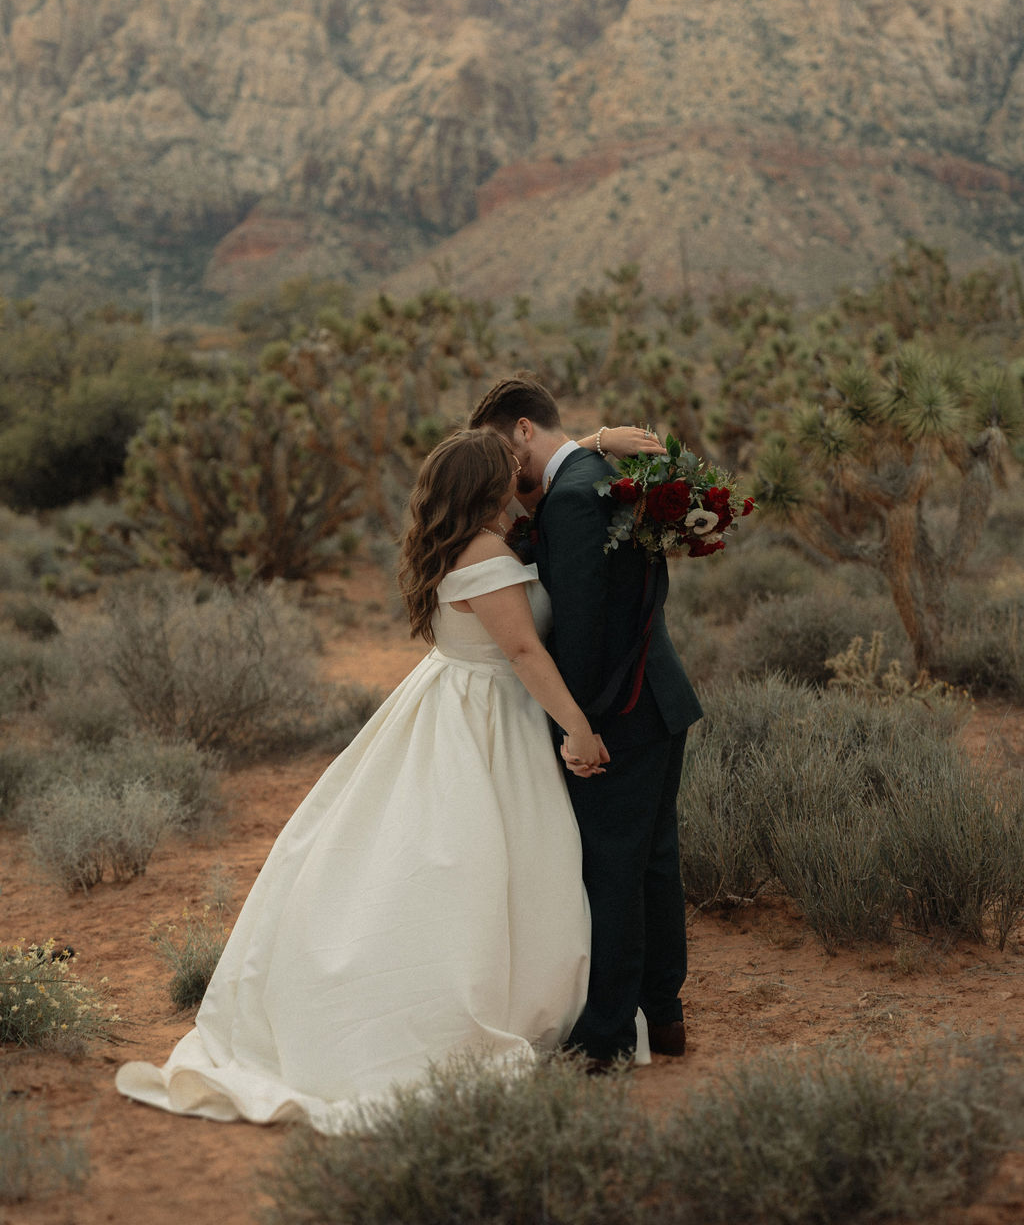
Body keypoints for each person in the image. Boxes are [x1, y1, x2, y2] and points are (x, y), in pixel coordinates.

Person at [115, 423, 651, 1133]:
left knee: (453, 862)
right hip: (488, 720)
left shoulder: (454, 544)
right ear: (488, 490)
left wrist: (593, 438)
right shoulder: (488, 554)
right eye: (510, 472)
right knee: (476, 866)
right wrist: (578, 730)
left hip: (449, 701)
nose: (523, 479)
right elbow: (523, 649)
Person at [469, 376, 704, 1068]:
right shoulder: (604, 470)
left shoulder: (572, 499)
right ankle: (664, 1014)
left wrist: (577, 727)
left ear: (520, 431)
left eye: (499, 450)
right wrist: (597, 436)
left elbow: (581, 630)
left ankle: (604, 1035)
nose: (502, 475)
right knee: (655, 860)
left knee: (612, 868)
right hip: (659, 695)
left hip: (617, 710)